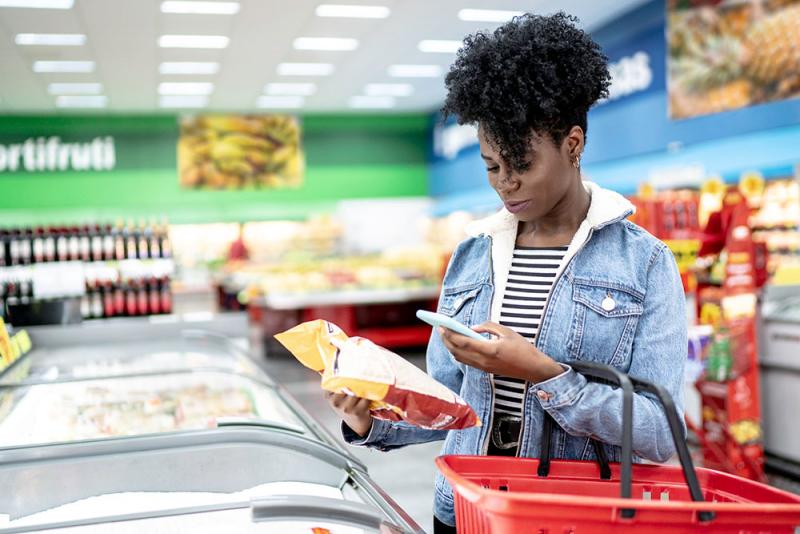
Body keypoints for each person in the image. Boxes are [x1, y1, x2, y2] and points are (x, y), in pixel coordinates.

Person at [325, 13, 687, 533]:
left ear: (573, 143)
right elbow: (448, 407)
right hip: (465, 509)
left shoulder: (645, 263)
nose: (505, 184)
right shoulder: (473, 254)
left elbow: (657, 434)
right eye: (492, 165)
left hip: (572, 516)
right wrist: (367, 412)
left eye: (522, 164)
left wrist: (544, 374)